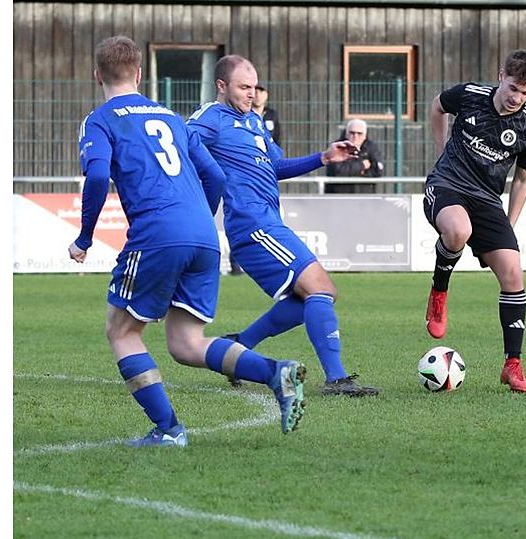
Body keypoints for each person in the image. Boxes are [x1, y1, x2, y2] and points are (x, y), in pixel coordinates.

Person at [69, 36, 307, 446]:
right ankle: (275, 372)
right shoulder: (174, 118)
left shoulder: (101, 120)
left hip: (158, 234)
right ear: (140, 74)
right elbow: (214, 175)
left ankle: (168, 430)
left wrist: (85, 237)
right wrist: (198, 219)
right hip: (203, 234)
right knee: (186, 343)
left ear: (97, 75)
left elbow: (95, 177)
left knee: (122, 332)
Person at [187, 54, 379, 397]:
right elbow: (181, 146)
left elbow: (276, 166)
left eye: (254, 87)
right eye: (243, 87)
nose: (251, 94)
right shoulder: (210, 119)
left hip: (269, 221)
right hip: (251, 225)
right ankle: (335, 379)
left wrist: (323, 158)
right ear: (221, 86)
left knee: (309, 296)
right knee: (321, 290)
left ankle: (240, 344)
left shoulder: (256, 123)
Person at [422, 50, 526, 393]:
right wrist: (440, 150)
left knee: (513, 273)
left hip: (487, 200)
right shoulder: (470, 96)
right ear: (501, 74)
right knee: (458, 231)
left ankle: (513, 364)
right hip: (447, 185)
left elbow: (523, 179)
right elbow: (437, 106)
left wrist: (509, 223)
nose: (517, 98)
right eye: (513, 88)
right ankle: (439, 292)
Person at [326, 118, 384, 193]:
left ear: (365, 135)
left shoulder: (371, 147)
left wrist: (351, 171)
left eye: (359, 133)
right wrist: (362, 166)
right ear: (346, 134)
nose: (355, 137)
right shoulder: (337, 147)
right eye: (352, 133)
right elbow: (338, 172)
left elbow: (377, 171)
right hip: (339, 196)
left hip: (365, 196)